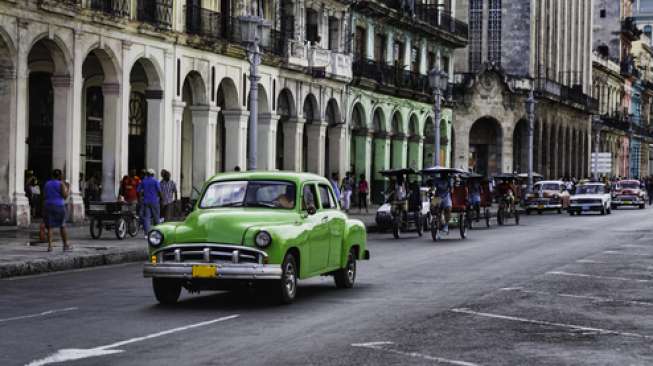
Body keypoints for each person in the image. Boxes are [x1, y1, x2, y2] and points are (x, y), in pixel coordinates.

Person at [43, 169, 70, 252]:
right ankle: (65, 245)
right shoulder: (61, 184)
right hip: (59, 206)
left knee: (50, 227)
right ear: (60, 176)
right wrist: (68, 188)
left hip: (48, 205)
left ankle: (50, 246)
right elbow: (65, 196)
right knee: (62, 225)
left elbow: (44, 195)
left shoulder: (47, 183)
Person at [138, 169, 163, 236]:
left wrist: (140, 199)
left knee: (147, 218)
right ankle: (158, 232)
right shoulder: (155, 181)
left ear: (148, 174)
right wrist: (161, 199)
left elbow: (139, 191)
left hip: (146, 201)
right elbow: (159, 191)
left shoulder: (143, 181)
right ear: (152, 174)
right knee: (156, 217)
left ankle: (146, 234)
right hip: (154, 201)